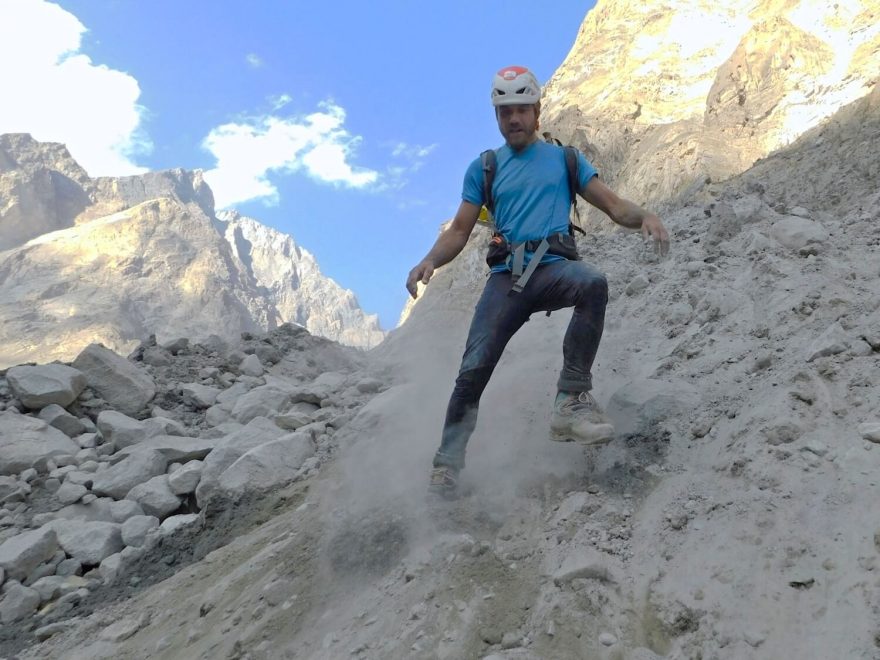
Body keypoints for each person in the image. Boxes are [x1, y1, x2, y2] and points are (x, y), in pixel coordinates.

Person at [405, 65, 669, 496]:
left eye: (521, 109)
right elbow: (458, 231)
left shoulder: (565, 160)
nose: (513, 119)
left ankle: (570, 401)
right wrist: (429, 261)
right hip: (506, 278)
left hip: (552, 268)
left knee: (592, 283)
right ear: (496, 116)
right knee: (472, 370)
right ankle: (447, 466)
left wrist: (647, 216)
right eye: (504, 111)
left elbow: (614, 206)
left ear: (537, 111)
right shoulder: (484, 168)